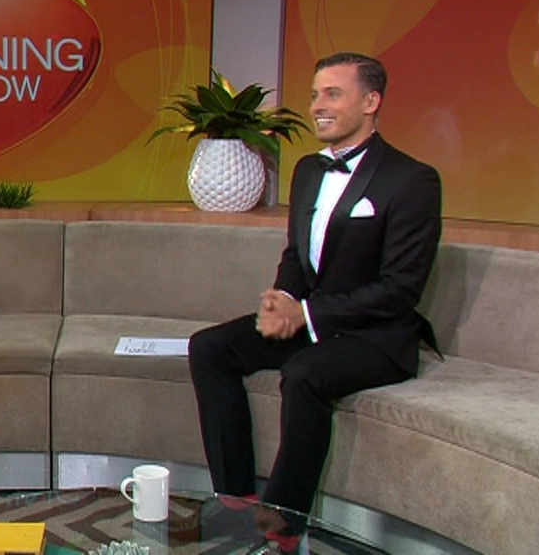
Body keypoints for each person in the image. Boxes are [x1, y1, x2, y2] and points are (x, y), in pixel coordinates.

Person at [188, 52, 442, 550]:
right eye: (314, 95)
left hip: (377, 336)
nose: (317, 106)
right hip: (313, 320)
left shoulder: (413, 180)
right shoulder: (307, 170)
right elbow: (297, 256)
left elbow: (400, 289)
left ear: (371, 102)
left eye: (333, 94)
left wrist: (303, 313)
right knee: (210, 347)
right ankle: (236, 501)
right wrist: (283, 297)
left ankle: (281, 529)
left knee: (304, 375)